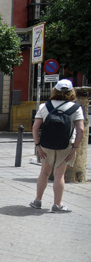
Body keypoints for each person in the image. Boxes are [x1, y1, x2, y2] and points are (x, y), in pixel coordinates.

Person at [30, 79, 84, 213]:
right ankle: (57, 204)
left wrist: (38, 146)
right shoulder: (76, 108)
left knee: (44, 172)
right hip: (65, 145)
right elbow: (81, 130)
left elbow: (35, 127)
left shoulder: (45, 106)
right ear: (72, 91)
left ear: (55, 90)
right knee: (59, 175)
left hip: (46, 145)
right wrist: (75, 148)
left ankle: (37, 201)